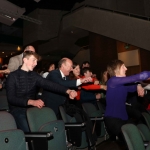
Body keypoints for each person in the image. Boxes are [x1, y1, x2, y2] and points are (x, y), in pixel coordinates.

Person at [6, 51, 77, 132]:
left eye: (36, 61)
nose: (36, 63)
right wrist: (31, 102)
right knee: (30, 130)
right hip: (17, 109)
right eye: (33, 60)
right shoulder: (13, 76)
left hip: (32, 109)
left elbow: (50, 85)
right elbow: (11, 98)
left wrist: (68, 91)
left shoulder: (34, 75)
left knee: (46, 127)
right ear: (25, 60)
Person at [104, 59, 150, 139]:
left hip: (124, 119)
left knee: (139, 137)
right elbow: (140, 76)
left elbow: (133, 87)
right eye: (123, 66)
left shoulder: (122, 85)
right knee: (134, 140)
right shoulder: (112, 81)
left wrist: (138, 85)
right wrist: (140, 82)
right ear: (116, 69)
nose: (126, 68)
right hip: (113, 120)